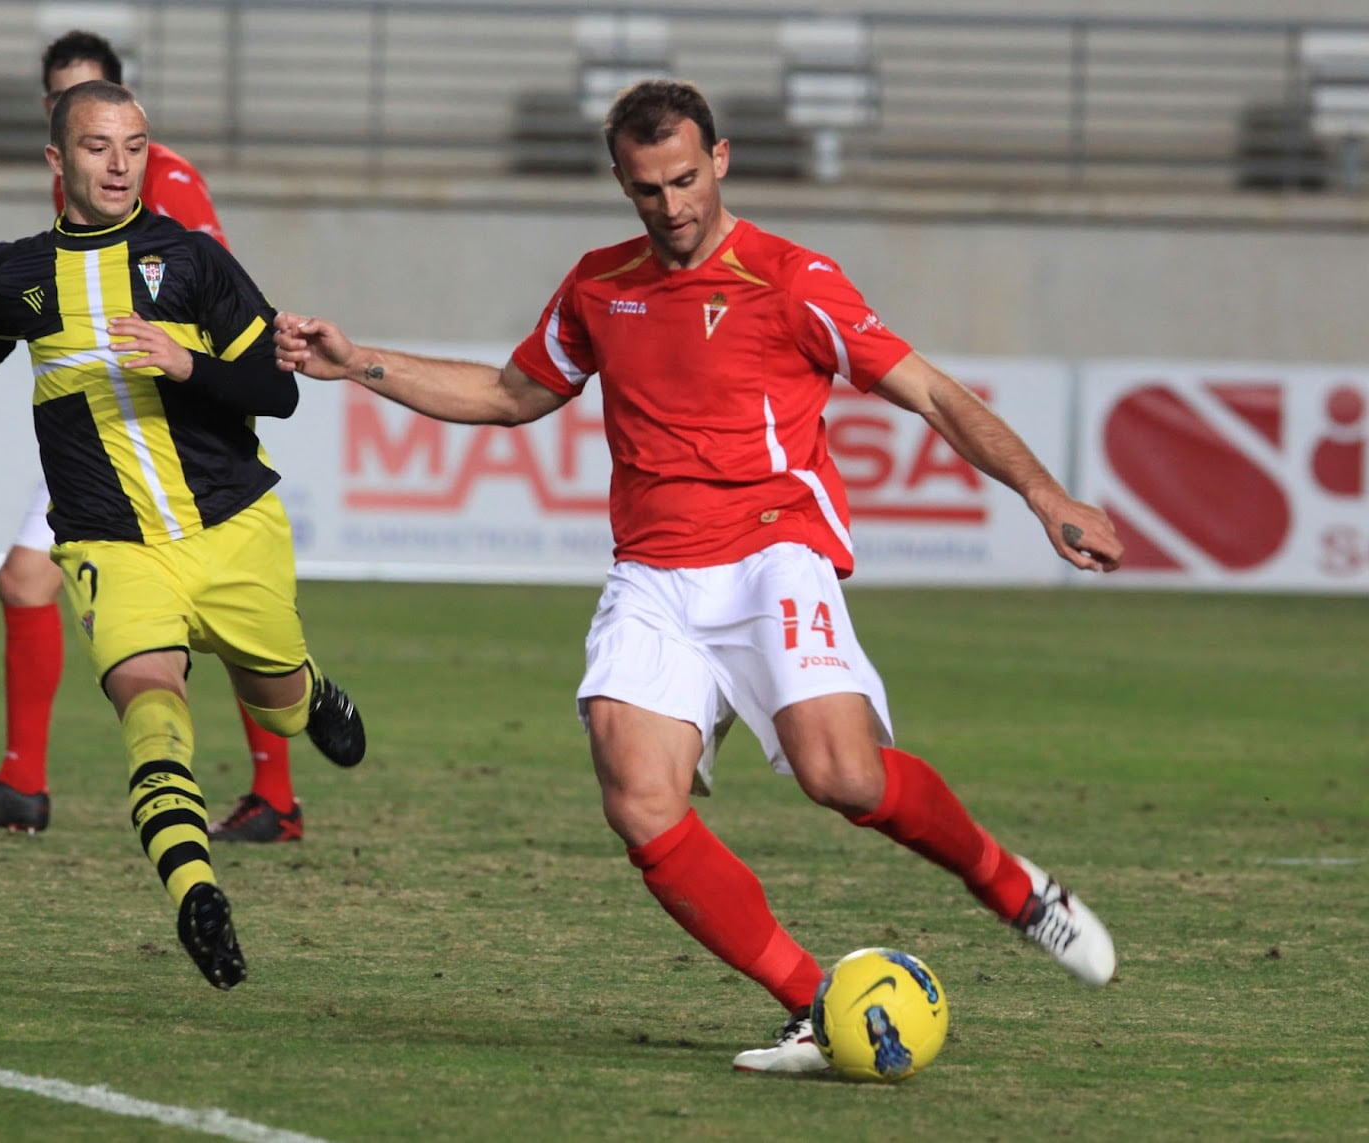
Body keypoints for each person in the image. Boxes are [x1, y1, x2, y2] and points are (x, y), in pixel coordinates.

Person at [272, 79, 1122, 1070]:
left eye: (683, 180)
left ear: (717, 160)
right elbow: (510, 395)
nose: (670, 207)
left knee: (842, 777)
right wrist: (357, 360)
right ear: (621, 182)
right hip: (653, 575)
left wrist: (1044, 493)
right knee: (637, 799)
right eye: (645, 189)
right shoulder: (598, 285)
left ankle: (1013, 889)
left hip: (772, 555)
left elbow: (931, 392)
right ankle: (818, 1003)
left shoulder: (791, 279)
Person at [0, 80, 366, 989]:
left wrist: (188, 363)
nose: (119, 163)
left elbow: (281, 391)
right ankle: (196, 893)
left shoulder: (190, 261)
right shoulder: (20, 271)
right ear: (57, 161)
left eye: (136, 145)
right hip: (107, 541)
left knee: (275, 699)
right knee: (150, 703)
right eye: (100, 145)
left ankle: (310, 699)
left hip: (230, 527)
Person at [0, 29, 307, 844]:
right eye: (67, 103)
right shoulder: (65, 207)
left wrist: (193, 374)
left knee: (225, 623)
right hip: (91, 425)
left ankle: (274, 791)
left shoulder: (165, 183)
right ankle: (27, 778)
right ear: (54, 124)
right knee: (26, 583)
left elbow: (219, 293)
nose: (109, 152)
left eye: (100, 105)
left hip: (166, 430)